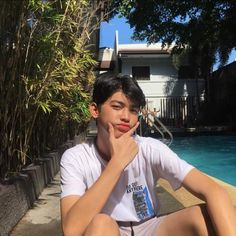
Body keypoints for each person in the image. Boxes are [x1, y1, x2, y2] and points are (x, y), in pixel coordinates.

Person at [60, 72, 236, 236]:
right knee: (100, 223)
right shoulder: (76, 158)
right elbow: (71, 229)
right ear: (95, 110)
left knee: (206, 215)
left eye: (133, 110)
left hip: (150, 228)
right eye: (117, 106)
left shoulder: (150, 149)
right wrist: (117, 163)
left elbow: (214, 191)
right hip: (108, 230)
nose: (126, 117)